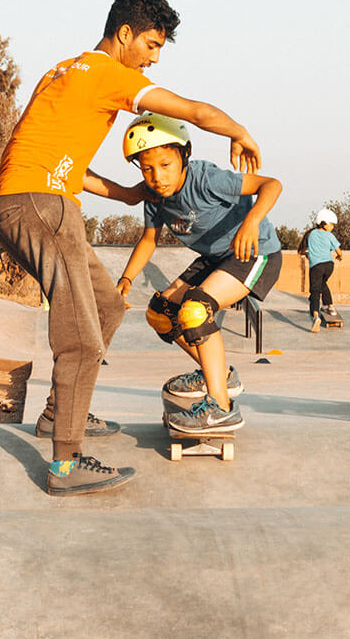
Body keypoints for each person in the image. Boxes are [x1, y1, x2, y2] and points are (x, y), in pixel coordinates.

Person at [0, 0, 262, 496]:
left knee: (107, 306)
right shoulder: (109, 74)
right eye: (152, 46)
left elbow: (71, 167)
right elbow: (192, 110)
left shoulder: (63, 72)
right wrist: (240, 132)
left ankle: (57, 416)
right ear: (125, 35)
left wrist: (127, 193)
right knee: (81, 337)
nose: (153, 59)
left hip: (30, 198)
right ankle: (65, 466)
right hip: (42, 205)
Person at [115, 112, 282, 433]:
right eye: (147, 169)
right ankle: (217, 374)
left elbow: (271, 185)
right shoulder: (154, 198)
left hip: (255, 251)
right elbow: (149, 240)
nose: (157, 177)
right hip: (215, 258)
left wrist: (251, 221)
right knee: (160, 313)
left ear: (183, 157)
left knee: (195, 310)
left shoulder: (206, 179)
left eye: (165, 165)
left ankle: (220, 407)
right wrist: (126, 279)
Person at [299, 209, 343, 333]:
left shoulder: (311, 234)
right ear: (323, 223)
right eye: (331, 224)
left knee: (315, 290)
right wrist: (340, 256)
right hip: (329, 266)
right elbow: (339, 251)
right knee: (322, 284)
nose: (332, 227)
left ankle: (315, 316)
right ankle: (330, 306)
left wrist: (309, 255)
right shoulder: (329, 236)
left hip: (316, 267)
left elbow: (306, 249)